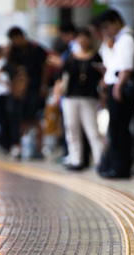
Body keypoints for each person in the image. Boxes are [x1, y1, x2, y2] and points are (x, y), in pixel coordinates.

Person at [94, 9, 134, 179]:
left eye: (106, 27)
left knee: (120, 129)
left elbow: (127, 67)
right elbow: (110, 64)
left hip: (120, 86)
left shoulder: (126, 39)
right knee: (115, 128)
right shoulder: (115, 41)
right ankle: (115, 165)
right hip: (114, 85)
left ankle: (121, 167)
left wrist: (118, 87)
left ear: (116, 22)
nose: (106, 32)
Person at [56, 28, 105, 171]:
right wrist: (57, 94)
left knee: (92, 130)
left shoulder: (96, 57)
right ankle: (75, 159)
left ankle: (100, 160)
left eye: (84, 37)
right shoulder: (71, 57)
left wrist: (102, 95)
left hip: (89, 97)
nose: (82, 40)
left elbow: (101, 77)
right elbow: (62, 77)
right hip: (70, 97)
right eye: (79, 38)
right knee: (71, 128)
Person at [7, 27, 49, 159]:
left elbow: (45, 68)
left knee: (36, 119)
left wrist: (43, 86)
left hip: (36, 89)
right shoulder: (13, 52)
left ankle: (39, 148)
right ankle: (19, 147)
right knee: (22, 118)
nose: (15, 42)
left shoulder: (36, 49)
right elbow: (10, 68)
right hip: (22, 91)